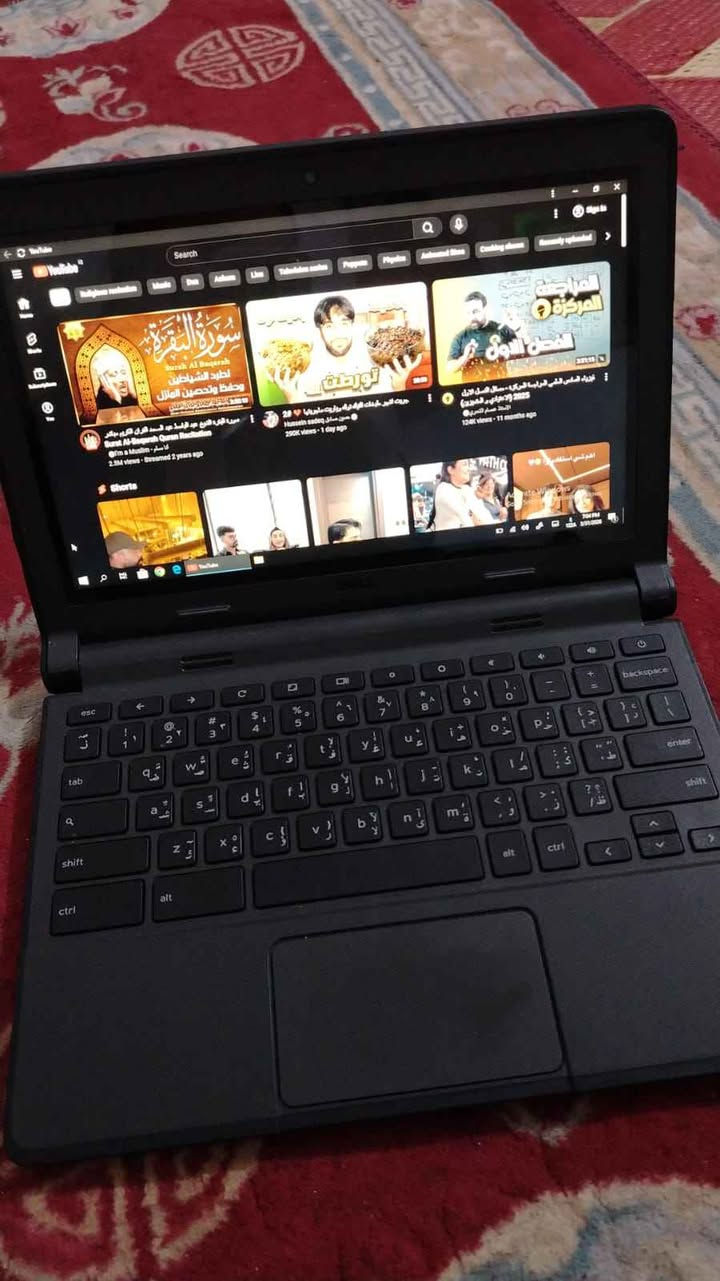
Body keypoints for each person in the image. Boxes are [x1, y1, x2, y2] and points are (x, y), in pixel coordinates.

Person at [270, 294, 422, 401]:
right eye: (329, 326)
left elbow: (395, 414)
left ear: (352, 325)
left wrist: (399, 384)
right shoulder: (305, 364)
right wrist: (291, 397)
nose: (338, 334)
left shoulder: (377, 355)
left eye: (344, 324)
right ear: (319, 331)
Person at [446, 291, 517, 381]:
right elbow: (449, 369)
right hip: (473, 388)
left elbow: (528, 350)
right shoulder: (460, 337)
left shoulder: (502, 329)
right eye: (468, 313)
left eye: (475, 312)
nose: (472, 317)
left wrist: (517, 328)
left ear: (485, 309)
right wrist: (465, 357)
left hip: (501, 387)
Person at [426, 460, 492, 531]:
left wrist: (477, 498)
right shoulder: (443, 489)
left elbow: (484, 516)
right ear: (451, 470)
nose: (468, 469)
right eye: (464, 464)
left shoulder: (466, 489)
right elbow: (465, 519)